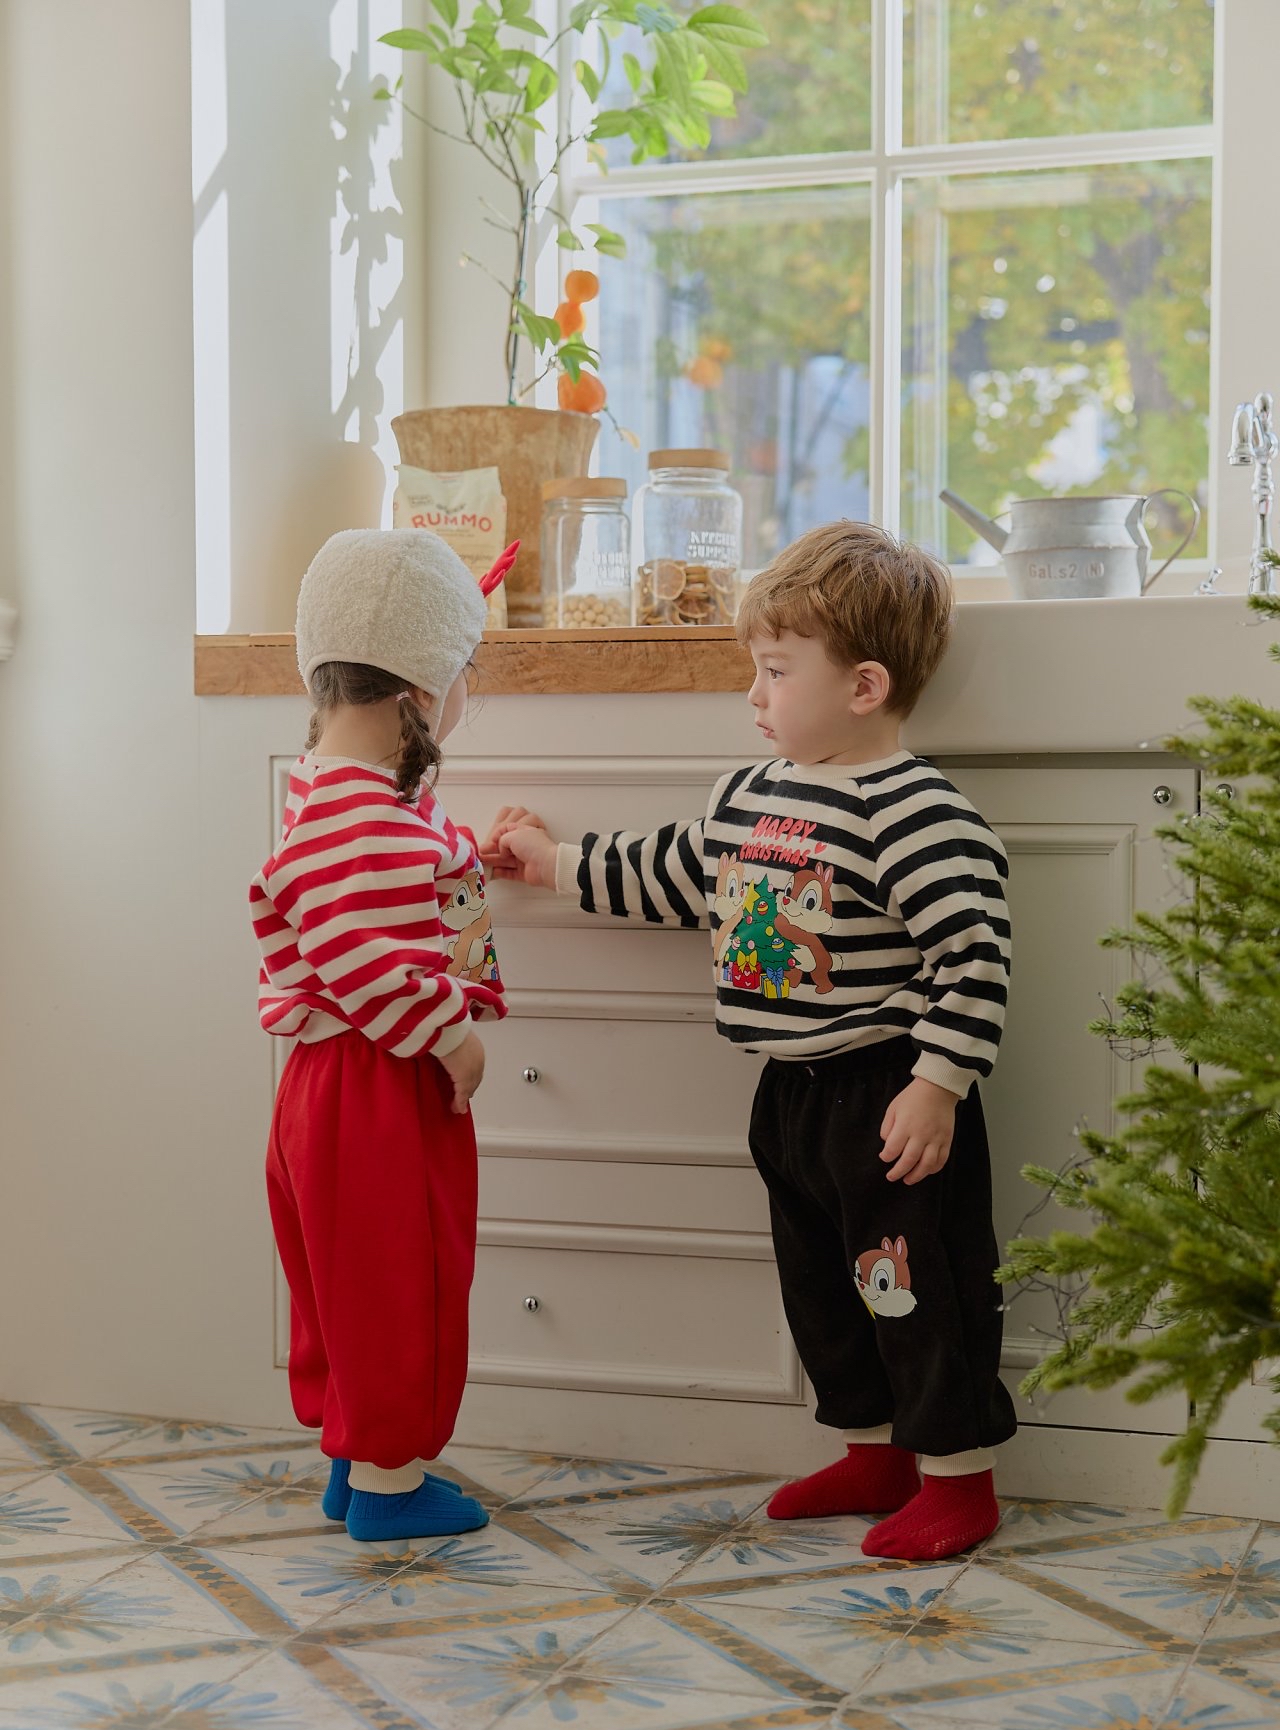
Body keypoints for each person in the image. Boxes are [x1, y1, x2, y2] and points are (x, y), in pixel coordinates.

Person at [484, 521, 1016, 1562]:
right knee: (819, 1285)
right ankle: (871, 1450)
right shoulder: (751, 795)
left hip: (887, 1092)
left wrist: (938, 1083)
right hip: (790, 1096)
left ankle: (958, 1479)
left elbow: (973, 956)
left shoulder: (915, 813)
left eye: (775, 671)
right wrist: (553, 862)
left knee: (919, 1289)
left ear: (863, 687)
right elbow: (675, 870)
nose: (754, 694)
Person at [251, 528, 518, 1543]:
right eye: (460, 674)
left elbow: (364, 884)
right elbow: (361, 950)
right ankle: (390, 1487)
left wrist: (456, 854)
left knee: (345, 1282)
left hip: (324, 1082)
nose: (463, 694)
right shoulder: (362, 818)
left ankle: (352, 1461)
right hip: (380, 1083)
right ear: (417, 693)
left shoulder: (325, 788)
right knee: (405, 1280)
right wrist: (452, 1039)